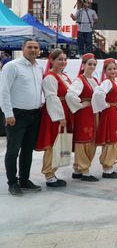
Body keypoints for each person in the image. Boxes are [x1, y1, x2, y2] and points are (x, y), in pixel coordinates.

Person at [0, 39, 43, 196]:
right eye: (29, 47)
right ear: (23, 49)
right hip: (17, 115)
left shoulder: (38, 67)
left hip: (34, 114)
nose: (33, 50)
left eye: (36, 47)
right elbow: (3, 91)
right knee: (13, 150)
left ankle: (24, 180)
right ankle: (12, 182)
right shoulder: (12, 66)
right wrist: (8, 113)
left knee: (27, 150)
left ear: (39, 50)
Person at [34, 49, 72, 188]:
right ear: (52, 60)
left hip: (62, 110)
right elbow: (52, 98)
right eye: (60, 59)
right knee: (51, 144)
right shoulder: (50, 77)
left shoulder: (62, 76)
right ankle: (49, 174)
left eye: (64, 59)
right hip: (54, 113)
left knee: (58, 144)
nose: (63, 62)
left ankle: (52, 172)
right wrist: (60, 117)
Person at [66, 53, 100, 181]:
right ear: (83, 65)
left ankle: (78, 169)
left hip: (93, 112)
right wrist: (81, 105)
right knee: (83, 140)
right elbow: (70, 95)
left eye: (94, 64)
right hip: (84, 114)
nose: (92, 66)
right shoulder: (79, 80)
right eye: (89, 64)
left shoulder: (94, 80)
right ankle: (84, 170)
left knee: (91, 139)